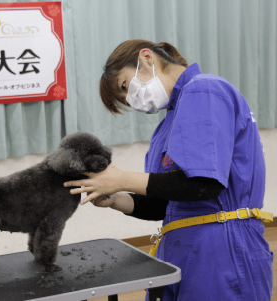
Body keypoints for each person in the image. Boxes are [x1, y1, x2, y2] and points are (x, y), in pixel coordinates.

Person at [63, 39, 274, 300]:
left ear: (147, 58)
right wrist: (117, 199)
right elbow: (166, 204)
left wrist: (121, 179)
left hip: (221, 251)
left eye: (126, 87)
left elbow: (202, 186)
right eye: (126, 101)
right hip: (184, 248)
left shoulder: (204, 90)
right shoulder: (168, 125)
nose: (133, 101)